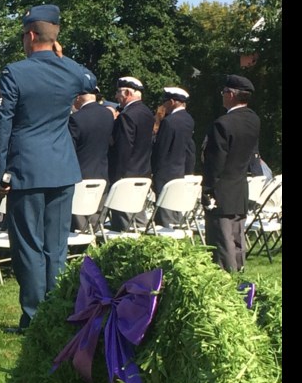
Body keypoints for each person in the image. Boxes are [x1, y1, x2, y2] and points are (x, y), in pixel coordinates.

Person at [0, 4, 97, 333]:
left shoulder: (15, 72)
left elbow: (2, 124)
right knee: (56, 247)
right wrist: (61, 57)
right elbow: (90, 80)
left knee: (29, 247)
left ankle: (34, 320)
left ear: (31, 35)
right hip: (62, 169)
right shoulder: (70, 71)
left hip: (27, 170)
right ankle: (60, 314)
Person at [201, 75, 261, 272]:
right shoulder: (253, 119)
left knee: (221, 242)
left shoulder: (223, 124)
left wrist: (209, 190)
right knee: (236, 240)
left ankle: (227, 281)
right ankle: (240, 276)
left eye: (224, 93)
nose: (223, 96)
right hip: (239, 189)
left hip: (222, 191)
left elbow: (215, 162)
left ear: (231, 95)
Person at [108, 76, 155, 231]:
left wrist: (116, 177)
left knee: (123, 228)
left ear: (127, 93)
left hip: (125, 177)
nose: (116, 97)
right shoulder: (147, 113)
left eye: (118, 93)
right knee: (139, 224)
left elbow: (123, 150)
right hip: (142, 173)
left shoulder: (127, 116)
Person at [68, 85, 115, 232]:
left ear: (78, 96)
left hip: (80, 178)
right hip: (102, 175)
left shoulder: (76, 119)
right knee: (94, 227)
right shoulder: (108, 115)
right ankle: (93, 254)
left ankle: (80, 254)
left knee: (79, 230)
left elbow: (70, 151)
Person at [150, 87, 196, 228]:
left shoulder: (169, 121)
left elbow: (161, 150)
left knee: (164, 216)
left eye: (165, 102)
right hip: (180, 170)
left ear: (172, 101)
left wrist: (153, 171)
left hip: (165, 173)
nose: (164, 105)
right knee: (175, 213)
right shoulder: (188, 119)